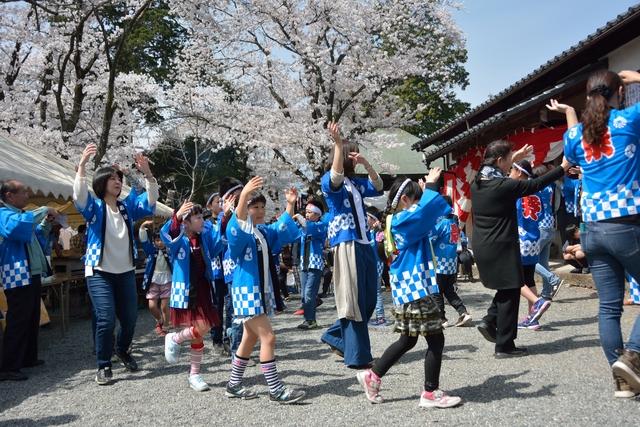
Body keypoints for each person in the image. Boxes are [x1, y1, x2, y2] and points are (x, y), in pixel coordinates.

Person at [561, 69, 640, 397]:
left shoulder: (575, 135)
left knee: (609, 306)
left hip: (592, 229)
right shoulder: (629, 120)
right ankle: (632, 357)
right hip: (627, 224)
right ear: (618, 94)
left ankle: (621, 377)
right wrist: (636, 76)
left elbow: (568, 161)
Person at [356, 172, 461, 408]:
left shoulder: (396, 221)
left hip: (409, 289)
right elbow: (425, 212)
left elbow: (426, 214)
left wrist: (425, 192)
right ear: (405, 199)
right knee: (436, 340)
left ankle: (373, 375)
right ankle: (430, 393)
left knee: (408, 339)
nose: (419, 202)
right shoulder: (404, 219)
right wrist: (433, 184)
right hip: (416, 289)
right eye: (416, 198)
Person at [471, 140, 571, 358]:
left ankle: (489, 321)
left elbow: (492, 165)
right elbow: (534, 185)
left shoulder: (478, 181)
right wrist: (562, 168)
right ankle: (504, 345)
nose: (511, 166)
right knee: (511, 290)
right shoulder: (503, 186)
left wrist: (515, 156)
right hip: (501, 245)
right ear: (500, 161)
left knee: (509, 286)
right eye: (508, 161)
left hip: (483, 244)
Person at [73, 143, 158, 385]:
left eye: (119, 178)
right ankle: (103, 364)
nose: (118, 181)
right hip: (99, 272)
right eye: (112, 178)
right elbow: (79, 196)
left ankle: (122, 349)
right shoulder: (95, 207)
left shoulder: (126, 206)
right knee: (106, 318)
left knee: (131, 319)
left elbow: (150, 201)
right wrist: (81, 166)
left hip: (125, 272)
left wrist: (148, 175)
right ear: (101, 183)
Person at [224, 176, 305, 404]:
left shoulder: (262, 232)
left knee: (249, 338)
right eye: (254, 207)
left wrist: (289, 205)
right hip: (247, 292)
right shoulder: (238, 230)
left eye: (262, 207)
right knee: (268, 337)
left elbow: (281, 229)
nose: (259, 211)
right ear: (243, 209)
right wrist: (243, 196)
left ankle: (233, 384)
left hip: (258, 291)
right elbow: (237, 224)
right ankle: (275, 389)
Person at [320, 122, 383, 368]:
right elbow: (335, 176)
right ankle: (357, 356)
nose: (355, 158)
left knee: (367, 299)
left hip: (364, 241)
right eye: (353, 153)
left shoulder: (355, 183)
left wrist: (366, 164)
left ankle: (335, 335)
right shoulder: (330, 181)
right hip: (346, 242)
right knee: (353, 300)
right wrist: (337, 144)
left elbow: (378, 187)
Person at [162, 201, 224, 392]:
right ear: (186, 222)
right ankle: (192, 369)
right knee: (201, 327)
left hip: (204, 288)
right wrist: (177, 217)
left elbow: (218, 242)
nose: (201, 221)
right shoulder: (179, 240)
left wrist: (224, 215)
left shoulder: (203, 238)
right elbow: (168, 235)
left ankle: (193, 372)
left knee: (200, 330)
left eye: (201, 217)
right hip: (187, 290)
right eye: (197, 218)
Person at [0, 180, 58, 381]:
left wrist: (45, 223)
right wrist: (43, 209)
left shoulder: (22, 215)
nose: (28, 195)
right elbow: (15, 230)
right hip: (16, 273)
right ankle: (9, 365)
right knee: (18, 319)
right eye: (24, 191)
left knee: (32, 317)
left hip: (30, 272)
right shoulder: (4, 214)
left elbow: (36, 237)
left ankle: (27, 357)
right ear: (9, 195)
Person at [508, 160, 553, 331]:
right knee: (528, 277)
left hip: (520, 237)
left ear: (519, 173)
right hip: (535, 236)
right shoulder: (541, 189)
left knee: (513, 277)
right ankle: (532, 318)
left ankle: (538, 302)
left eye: (512, 169)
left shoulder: (518, 190)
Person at [432, 196, 472, 328]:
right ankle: (463, 312)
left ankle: (441, 319)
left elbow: (430, 240)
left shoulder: (441, 224)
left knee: (437, 291)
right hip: (451, 264)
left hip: (439, 264)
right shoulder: (454, 224)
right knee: (449, 291)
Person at [293, 199, 328, 330]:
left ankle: (311, 320)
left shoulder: (321, 225)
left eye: (310, 212)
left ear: (317, 214)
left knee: (308, 292)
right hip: (304, 263)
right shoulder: (303, 227)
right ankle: (308, 318)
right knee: (303, 294)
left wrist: (300, 218)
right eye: (306, 212)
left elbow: (309, 227)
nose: (307, 215)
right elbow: (292, 233)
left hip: (315, 264)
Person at [206, 191, 229, 356]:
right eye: (217, 201)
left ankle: (230, 338)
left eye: (222, 200)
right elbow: (213, 240)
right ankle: (217, 339)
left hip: (229, 268)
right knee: (217, 306)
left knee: (231, 306)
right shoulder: (206, 224)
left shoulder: (229, 220)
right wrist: (222, 218)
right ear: (209, 206)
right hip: (215, 270)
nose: (221, 203)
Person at [139, 220, 172, 337]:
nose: (160, 242)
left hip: (167, 279)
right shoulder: (151, 250)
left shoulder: (170, 249)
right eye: (157, 240)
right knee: (152, 306)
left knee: (164, 305)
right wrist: (142, 228)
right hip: (153, 280)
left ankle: (166, 326)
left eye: (162, 239)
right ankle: (160, 320)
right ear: (154, 241)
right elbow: (143, 241)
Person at [366, 206, 388, 327]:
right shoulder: (368, 232)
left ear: (373, 219)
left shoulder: (378, 232)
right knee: (371, 291)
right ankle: (375, 316)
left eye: (367, 217)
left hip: (377, 264)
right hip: (370, 264)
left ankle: (381, 317)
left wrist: (378, 227)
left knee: (376, 291)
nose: (365, 219)